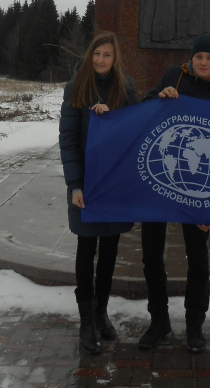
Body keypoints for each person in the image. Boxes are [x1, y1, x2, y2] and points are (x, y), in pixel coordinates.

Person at [138, 34, 210, 353]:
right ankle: (159, 321)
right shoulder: (171, 75)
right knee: (151, 254)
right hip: (162, 180)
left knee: (198, 259)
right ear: (191, 58)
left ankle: (194, 325)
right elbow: (144, 109)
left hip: (196, 188)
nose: (203, 62)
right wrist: (158, 98)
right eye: (199, 56)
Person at [59, 31, 138, 354]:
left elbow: (135, 131)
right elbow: (69, 140)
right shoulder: (76, 88)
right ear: (90, 55)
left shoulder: (126, 89)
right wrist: (75, 184)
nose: (101, 60)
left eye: (107, 55)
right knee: (86, 250)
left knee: (109, 253)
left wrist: (114, 119)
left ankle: (101, 312)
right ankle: (86, 321)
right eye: (97, 54)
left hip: (114, 186)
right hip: (87, 185)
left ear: (115, 58)